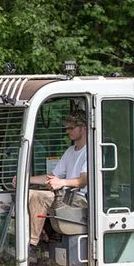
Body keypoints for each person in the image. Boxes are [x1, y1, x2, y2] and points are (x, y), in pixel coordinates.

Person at [25, 109, 88, 257]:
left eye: (71, 128)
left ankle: (31, 246)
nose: (67, 131)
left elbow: (83, 180)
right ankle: (39, 235)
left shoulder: (90, 151)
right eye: (66, 128)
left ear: (83, 128)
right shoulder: (70, 151)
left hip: (80, 200)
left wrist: (61, 183)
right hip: (66, 197)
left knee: (39, 197)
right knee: (27, 194)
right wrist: (26, 179)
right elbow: (52, 176)